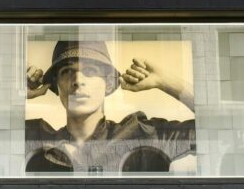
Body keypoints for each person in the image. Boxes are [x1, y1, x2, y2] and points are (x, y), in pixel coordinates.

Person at [24, 40, 196, 174]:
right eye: (67, 71)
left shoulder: (141, 134)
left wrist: (164, 81)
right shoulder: (34, 138)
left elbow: (210, 128)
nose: (78, 80)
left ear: (107, 84)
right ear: (56, 85)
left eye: (90, 71)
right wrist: (15, 93)